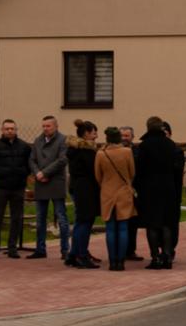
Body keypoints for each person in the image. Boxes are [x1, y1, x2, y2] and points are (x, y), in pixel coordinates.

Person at [133, 117, 185, 270]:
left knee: (152, 225)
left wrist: (138, 187)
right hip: (168, 189)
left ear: (148, 127)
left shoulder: (144, 146)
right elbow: (177, 170)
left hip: (149, 190)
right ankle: (167, 256)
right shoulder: (171, 145)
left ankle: (155, 257)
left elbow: (139, 170)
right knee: (167, 223)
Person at [0, 119, 31, 259]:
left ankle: (12, 248)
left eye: (12, 128)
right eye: (7, 128)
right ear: (2, 130)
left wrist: (22, 175)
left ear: (16, 130)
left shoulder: (25, 147)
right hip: (0, 187)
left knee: (16, 218)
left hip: (18, 187)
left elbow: (29, 165)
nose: (10, 131)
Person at [94, 127, 137, 272]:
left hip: (107, 193)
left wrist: (106, 185)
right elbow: (132, 172)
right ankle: (121, 261)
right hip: (124, 192)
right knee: (124, 227)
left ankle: (112, 262)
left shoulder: (101, 154)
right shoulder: (127, 152)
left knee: (110, 228)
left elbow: (97, 176)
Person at [28, 116, 69, 259]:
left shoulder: (63, 140)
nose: (45, 129)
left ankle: (65, 250)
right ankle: (40, 249)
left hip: (56, 182)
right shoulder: (38, 140)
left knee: (61, 218)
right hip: (41, 183)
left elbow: (62, 160)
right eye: (44, 126)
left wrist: (45, 173)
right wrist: (38, 173)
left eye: (48, 126)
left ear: (56, 126)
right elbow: (32, 159)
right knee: (40, 218)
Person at [63, 121, 102, 269]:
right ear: (86, 134)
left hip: (78, 188)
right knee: (85, 222)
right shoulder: (86, 151)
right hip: (86, 190)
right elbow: (94, 172)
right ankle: (81, 256)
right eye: (94, 133)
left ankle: (74, 254)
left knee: (81, 221)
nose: (96, 136)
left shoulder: (74, 149)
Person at [119, 125, 143, 261]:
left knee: (133, 223)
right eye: (122, 135)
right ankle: (120, 250)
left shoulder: (137, 151)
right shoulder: (113, 151)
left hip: (133, 191)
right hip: (118, 191)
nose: (124, 138)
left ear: (132, 137)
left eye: (127, 136)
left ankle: (130, 250)